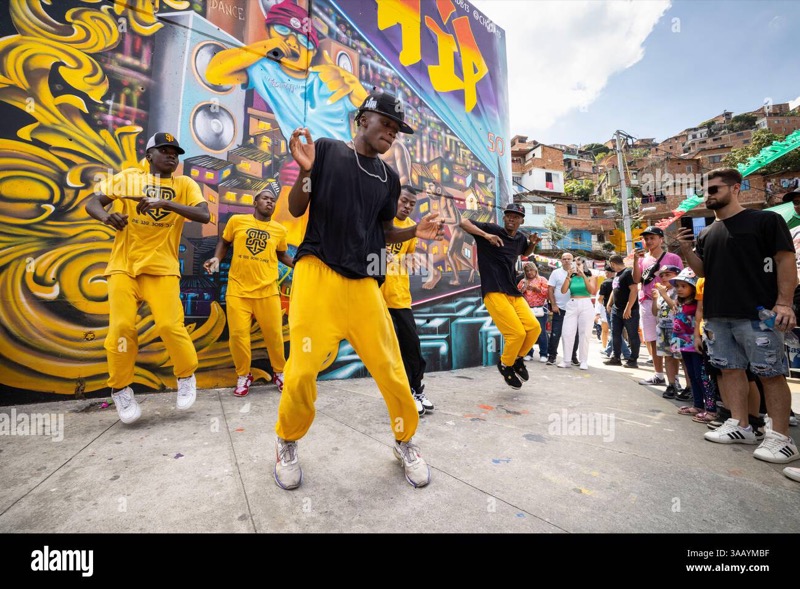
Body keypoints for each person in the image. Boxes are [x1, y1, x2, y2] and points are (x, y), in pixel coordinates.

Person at [273, 90, 444, 490]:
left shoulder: (389, 179)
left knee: (391, 369)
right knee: (301, 371)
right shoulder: (328, 151)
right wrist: (306, 173)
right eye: (385, 123)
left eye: (397, 128)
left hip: (365, 282)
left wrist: (413, 231)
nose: (391, 133)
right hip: (317, 273)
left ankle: (405, 441)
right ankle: (286, 441)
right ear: (362, 119)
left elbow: (384, 232)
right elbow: (298, 208)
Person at [85, 132, 210, 423]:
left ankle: (186, 375)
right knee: (121, 329)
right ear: (149, 154)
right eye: (164, 150)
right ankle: (120, 388)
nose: (171, 156)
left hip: (163, 267)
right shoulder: (129, 178)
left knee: (170, 325)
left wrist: (165, 204)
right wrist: (106, 217)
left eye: (175, 153)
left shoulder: (184, 185)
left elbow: (203, 216)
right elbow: (93, 202)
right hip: (124, 267)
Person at [677, 168, 799, 466]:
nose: (709, 195)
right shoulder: (707, 232)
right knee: (729, 370)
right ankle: (741, 425)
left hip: (758, 313)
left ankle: (781, 439)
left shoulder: (766, 220)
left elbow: (786, 260)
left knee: (770, 374)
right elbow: (704, 271)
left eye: (715, 189)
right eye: (706, 190)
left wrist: (785, 303)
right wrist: (685, 250)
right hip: (719, 314)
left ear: (735, 188)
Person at [203, 182, 294, 397]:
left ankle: (279, 372)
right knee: (238, 336)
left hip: (267, 290)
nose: (269, 201)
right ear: (255, 203)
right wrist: (216, 258)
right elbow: (224, 242)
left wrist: (298, 264)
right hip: (238, 290)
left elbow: (282, 255)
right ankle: (243, 375)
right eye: (265, 198)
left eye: (272, 200)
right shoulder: (237, 221)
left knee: (274, 336)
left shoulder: (279, 230)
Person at [459, 204, 542, 389]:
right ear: (504, 218)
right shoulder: (491, 230)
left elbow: (525, 252)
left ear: (522, 221)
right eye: (509, 216)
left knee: (534, 328)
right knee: (516, 334)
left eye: (516, 216)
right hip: (494, 290)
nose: (512, 219)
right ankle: (505, 365)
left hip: (512, 290)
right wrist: (485, 236)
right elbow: (463, 222)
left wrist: (533, 244)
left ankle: (518, 359)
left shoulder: (520, 238)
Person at [380, 185, 434, 415]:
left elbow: (409, 259)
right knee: (390, 352)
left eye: (412, 204)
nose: (407, 206)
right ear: (394, 199)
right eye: (404, 201)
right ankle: (403, 395)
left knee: (412, 347)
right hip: (376, 299)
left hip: (400, 297)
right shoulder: (379, 222)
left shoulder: (412, 229)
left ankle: (416, 389)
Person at [632, 226, 683, 387]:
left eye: (652, 238)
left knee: (673, 339)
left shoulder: (673, 257)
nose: (649, 241)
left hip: (670, 301)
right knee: (652, 339)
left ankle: (675, 380)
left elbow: (682, 281)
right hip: (647, 301)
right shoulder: (642, 259)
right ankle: (658, 374)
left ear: (661, 239)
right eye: (646, 239)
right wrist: (635, 261)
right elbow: (636, 279)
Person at [558, 257, 597, 369]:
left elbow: (591, 291)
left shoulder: (591, 277)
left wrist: (583, 275)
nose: (577, 266)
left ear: (584, 265)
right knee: (567, 333)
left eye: (579, 264)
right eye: (575, 264)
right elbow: (563, 291)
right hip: (572, 303)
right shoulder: (571, 277)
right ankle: (566, 360)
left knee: (585, 334)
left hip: (586, 303)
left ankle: (583, 361)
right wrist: (568, 276)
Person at [603, 254, 640, 368]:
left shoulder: (628, 272)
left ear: (612, 263)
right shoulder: (617, 275)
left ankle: (633, 360)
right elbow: (615, 290)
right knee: (615, 334)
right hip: (616, 309)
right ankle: (616, 357)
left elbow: (634, 290)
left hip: (630, 310)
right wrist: (609, 304)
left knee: (632, 335)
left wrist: (628, 308)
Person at [651, 265, 682, 398]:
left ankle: (688, 387)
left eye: (667, 274)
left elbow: (676, 308)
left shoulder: (678, 291)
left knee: (680, 357)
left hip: (676, 330)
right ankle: (671, 384)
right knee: (668, 357)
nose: (663, 278)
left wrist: (663, 294)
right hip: (662, 328)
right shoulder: (664, 292)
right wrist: (654, 299)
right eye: (661, 275)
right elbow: (655, 312)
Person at [546, 252, 580, 366]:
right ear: (561, 261)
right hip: (560, 308)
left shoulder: (577, 273)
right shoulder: (556, 273)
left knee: (574, 334)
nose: (566, 261)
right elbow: (550, 289)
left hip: (574, 308)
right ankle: (552, 356)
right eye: (564, 259)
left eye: (569, 259)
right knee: (555, 333)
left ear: (573, 260)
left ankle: (573, 356)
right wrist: (554, 305)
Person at [517, 262, 549, 362]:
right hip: (527, 309)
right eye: (527, 271)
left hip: (540, 309)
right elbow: (517, 294)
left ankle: (543, 354)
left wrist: (536, 289)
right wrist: (523, 289)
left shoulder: (542, 279)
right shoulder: (523, 281)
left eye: (531, 270)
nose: (530, 272)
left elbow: (547, 293)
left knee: (541, 332)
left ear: (536, 270)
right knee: (528, 332)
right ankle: (528, 353)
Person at [596, 264, 615, 352]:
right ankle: (608, 349)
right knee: (617, 331)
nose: (606, 274)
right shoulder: (619, 282)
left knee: (607, 330)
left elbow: (600, 299)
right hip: (618, 308)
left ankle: (606, 348)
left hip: (606, 308)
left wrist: (598, 312)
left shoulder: (605, 283)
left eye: (607, 272)